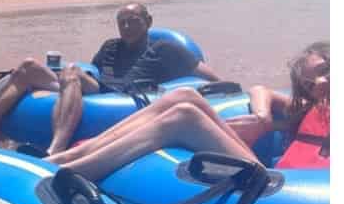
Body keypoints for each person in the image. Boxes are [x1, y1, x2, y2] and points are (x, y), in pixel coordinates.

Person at [0, 2, 220, 154]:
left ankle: (55, 150)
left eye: (133, 21)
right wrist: (66, 74)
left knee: (72, 71)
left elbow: (205, 74)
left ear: (148, 21)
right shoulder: (110, 46)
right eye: (122, 22)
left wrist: (226, 91)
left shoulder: (166, 48)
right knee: (29, 66)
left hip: (127, 97)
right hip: (101, 89)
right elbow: (92, 71)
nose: (127, 27)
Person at [48, 41, 329, 180]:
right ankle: (67, 156)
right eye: (310, 80)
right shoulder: (311, 106)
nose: (320, 83)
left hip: (281, 191)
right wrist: (264, 120)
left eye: (326, 71)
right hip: (275, 177)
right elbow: (260, 90)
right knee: (184, 96)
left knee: (185, 116)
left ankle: (74, 172)